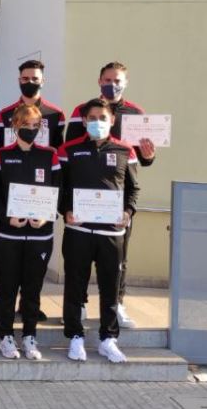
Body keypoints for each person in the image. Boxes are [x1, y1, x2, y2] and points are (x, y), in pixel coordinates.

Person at [64, 62, 155, 329]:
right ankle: (79, 304)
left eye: (117, 80)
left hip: (116, 200)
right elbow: (71, 152)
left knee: (119, 259)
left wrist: (150, 156)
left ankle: (118, 304)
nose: (112, 84)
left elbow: (139, 162)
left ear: (125, 82)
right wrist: (66, 207)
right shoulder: (82, 110)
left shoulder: (136, 113)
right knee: (78, 260)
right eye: (107, 80)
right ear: (99, 80)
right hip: (84, 200)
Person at [59, 97, 140, 363]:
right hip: (78, 231)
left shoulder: (126, 150)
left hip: (111, 234)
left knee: (110, 288)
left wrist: (127, 213)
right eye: (92, 118)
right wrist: (65, 211)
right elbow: (60, 187)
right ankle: (75, 337)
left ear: (112, 120)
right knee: (74, 285)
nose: (97, 122)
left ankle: (108, 339)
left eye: (102, 118)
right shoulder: (68, 150)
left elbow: (133, 189)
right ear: (84, 121)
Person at [0, 59, 65, 322]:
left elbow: (60, 154)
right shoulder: (5, 114)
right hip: (12, 190)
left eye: (35, 78)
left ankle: (30, 306)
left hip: (40, 189)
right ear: (19, 80)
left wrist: (47, 211)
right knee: (6, 270)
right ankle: (1, 301)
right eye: (25, 78)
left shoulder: (56, 114)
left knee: (33, 272)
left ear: (42, 80)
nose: (30, 82)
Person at [0, 103, 61, 360]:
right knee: (7, 287)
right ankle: (6, 335)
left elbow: (58, 191)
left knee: (32, 288)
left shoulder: (49, 156)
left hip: (40, 235)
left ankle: (29, 335)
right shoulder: (1, 155)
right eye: (26, 125)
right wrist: (7, 216)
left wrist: (47, 215)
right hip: (8, 234)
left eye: (35, 126)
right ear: (15, 125)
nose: (31, 129)